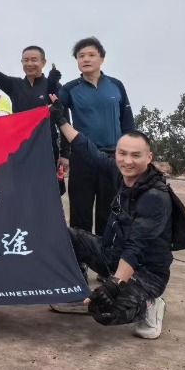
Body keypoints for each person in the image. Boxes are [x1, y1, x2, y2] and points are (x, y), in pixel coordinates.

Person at [49, 99, 171, 339]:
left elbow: (136, 249)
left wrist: (113, 285)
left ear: (149, 158)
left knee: (103, 311)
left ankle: (150, 304)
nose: (127, 161)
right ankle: (77, 290)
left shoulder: (155, 197)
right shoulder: (121, 173)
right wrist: (61, 120)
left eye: (136, 155)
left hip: (145, 273)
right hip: (111, 255)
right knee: (61, 235)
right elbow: (88, 150)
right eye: (122, 153)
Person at [57, 37, 135, 241]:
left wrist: (132, 154)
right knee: (80, 212)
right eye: (81, 56)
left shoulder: (116, 86)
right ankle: (80, 263)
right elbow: (54, 112)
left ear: (102, 58)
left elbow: (127, 120)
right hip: (83, 157)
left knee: (109, 213)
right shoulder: (70, 88)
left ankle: (105, 263)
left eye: (91, 55)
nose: (86, 59)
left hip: (112, 158)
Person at [0, 29, 65, 193]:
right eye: (25, 60)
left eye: (34, 60)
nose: (29, 64)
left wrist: (65, 153)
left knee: (47, 194)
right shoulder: (15, 85)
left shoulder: (54, 86)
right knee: (21, 192)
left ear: (43, 62)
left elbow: (63, 119)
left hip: (47, 147)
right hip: (20, 147)